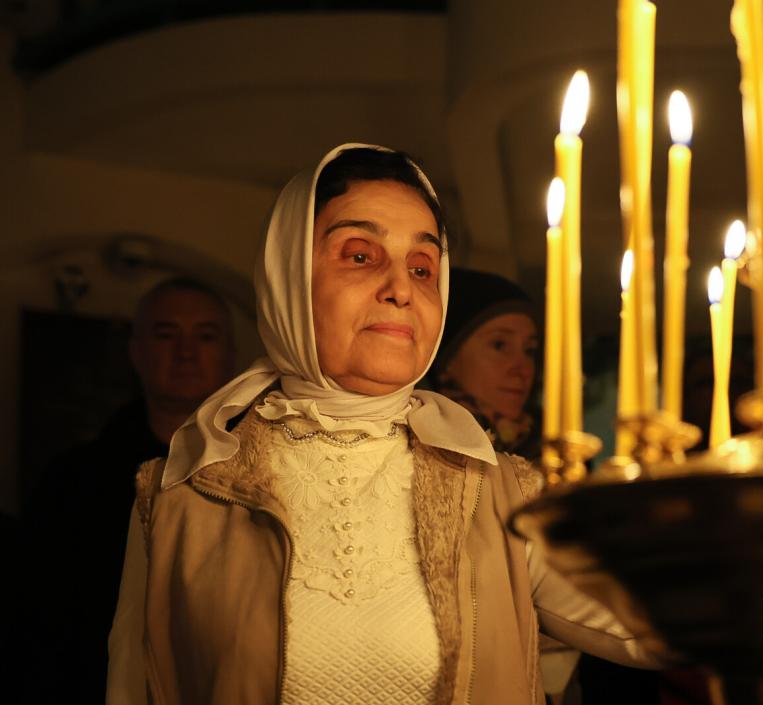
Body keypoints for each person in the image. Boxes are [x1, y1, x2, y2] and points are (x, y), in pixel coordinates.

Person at [106, 144, 660, 705]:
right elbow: (131, 686)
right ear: (288, 278)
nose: (401, 288)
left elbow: (660, 628)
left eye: (422, 268)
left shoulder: (498, 493)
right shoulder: (181, 498)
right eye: (360, 255)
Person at [18, 277, 235, 705]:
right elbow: (39, 622)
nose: (186, 352)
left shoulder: (260, 476)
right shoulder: (74, 480)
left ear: (230, 355)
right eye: (166, 334)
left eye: (205, 336)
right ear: (136, 352)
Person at [426, 267, 540, 458]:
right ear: (448, 357)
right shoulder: (413, 447)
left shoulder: (554, 454)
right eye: (499, 345)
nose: (523, 371)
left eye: (529, 350)